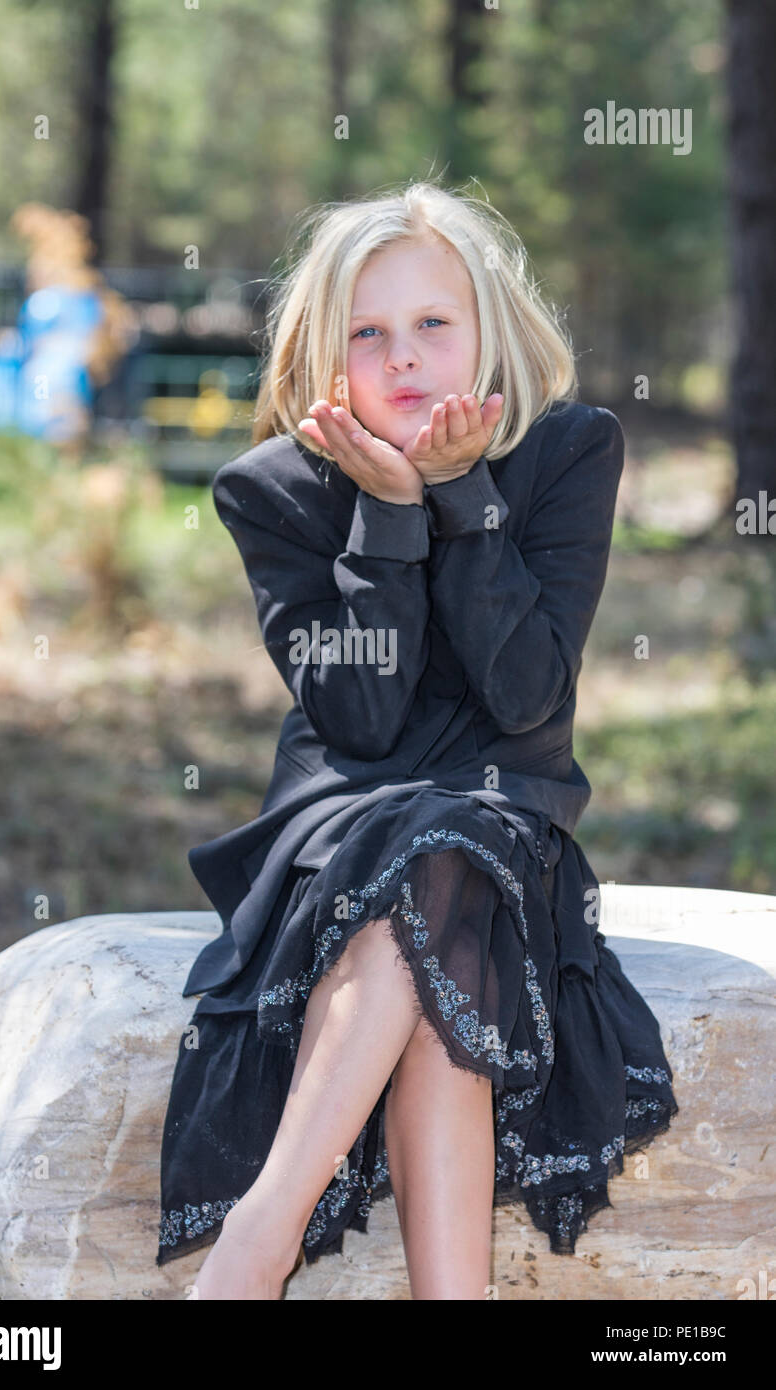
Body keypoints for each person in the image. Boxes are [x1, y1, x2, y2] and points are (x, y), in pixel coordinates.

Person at [155, 179, 679, 1300]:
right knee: (434, 885)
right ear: (323, 354)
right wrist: (387, 517)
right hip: (340, 815)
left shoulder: (568, 452)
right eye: (369, 332)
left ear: (486, 330)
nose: (404, 358)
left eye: (431, 325)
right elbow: (360, 719)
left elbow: (528, 694)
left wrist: (463, 500)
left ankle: (259, 1242)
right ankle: (272, 1243)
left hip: (501, 811)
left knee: (451, 884)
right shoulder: (275, 490)